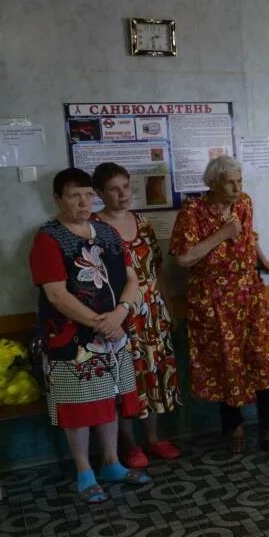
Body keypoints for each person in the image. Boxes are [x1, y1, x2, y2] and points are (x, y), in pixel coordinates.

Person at [28, 168, 150, 503]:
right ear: (58, 199)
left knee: (109, 400)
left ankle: (112, 463)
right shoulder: (48, 238)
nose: (83, 202)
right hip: (73, 339)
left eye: (87, 194)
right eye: (73, 195)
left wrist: (121, 313)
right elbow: (55, 294)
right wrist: (99, 322)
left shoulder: (106, 232)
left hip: (114, 332)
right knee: (78, 406)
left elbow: (132, 278)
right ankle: (84, 471)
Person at [169, 156, 269, 455]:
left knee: (265, 360)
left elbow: (248, 236)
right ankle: (233, 427)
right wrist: (221, 235)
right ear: (213, 183)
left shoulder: (245, 203)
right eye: (231, 182)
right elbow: (183, 258)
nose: (238, 188)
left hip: (248, 294)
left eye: (240, 181)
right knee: (227, 360)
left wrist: (264, 261)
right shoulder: (193, 211)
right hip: (213, 299)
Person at [91, 162, 182, 469]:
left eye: (126, 187)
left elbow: (157, 269)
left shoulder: (142, 222)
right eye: (114, 189)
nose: (122, 194)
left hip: (152, 313)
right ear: (100, 193)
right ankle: (129, 444)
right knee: (126, 380)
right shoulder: (93, 227)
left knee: (153, 374)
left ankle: (154, 438)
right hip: (120, 316)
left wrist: (168, 307)